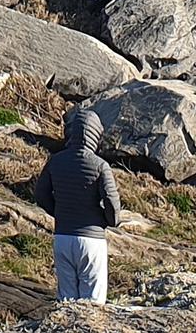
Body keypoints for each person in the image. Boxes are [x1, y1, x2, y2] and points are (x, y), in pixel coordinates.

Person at [34, 107, 121, 303]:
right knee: (93, 304)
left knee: (66, 301)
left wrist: (60, 212)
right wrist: (106, 220)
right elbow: (111, 203)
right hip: (92, 241)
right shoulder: (100, 166)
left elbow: (40, 195)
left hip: (62, 238)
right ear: (95, 135)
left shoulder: (55, 161)